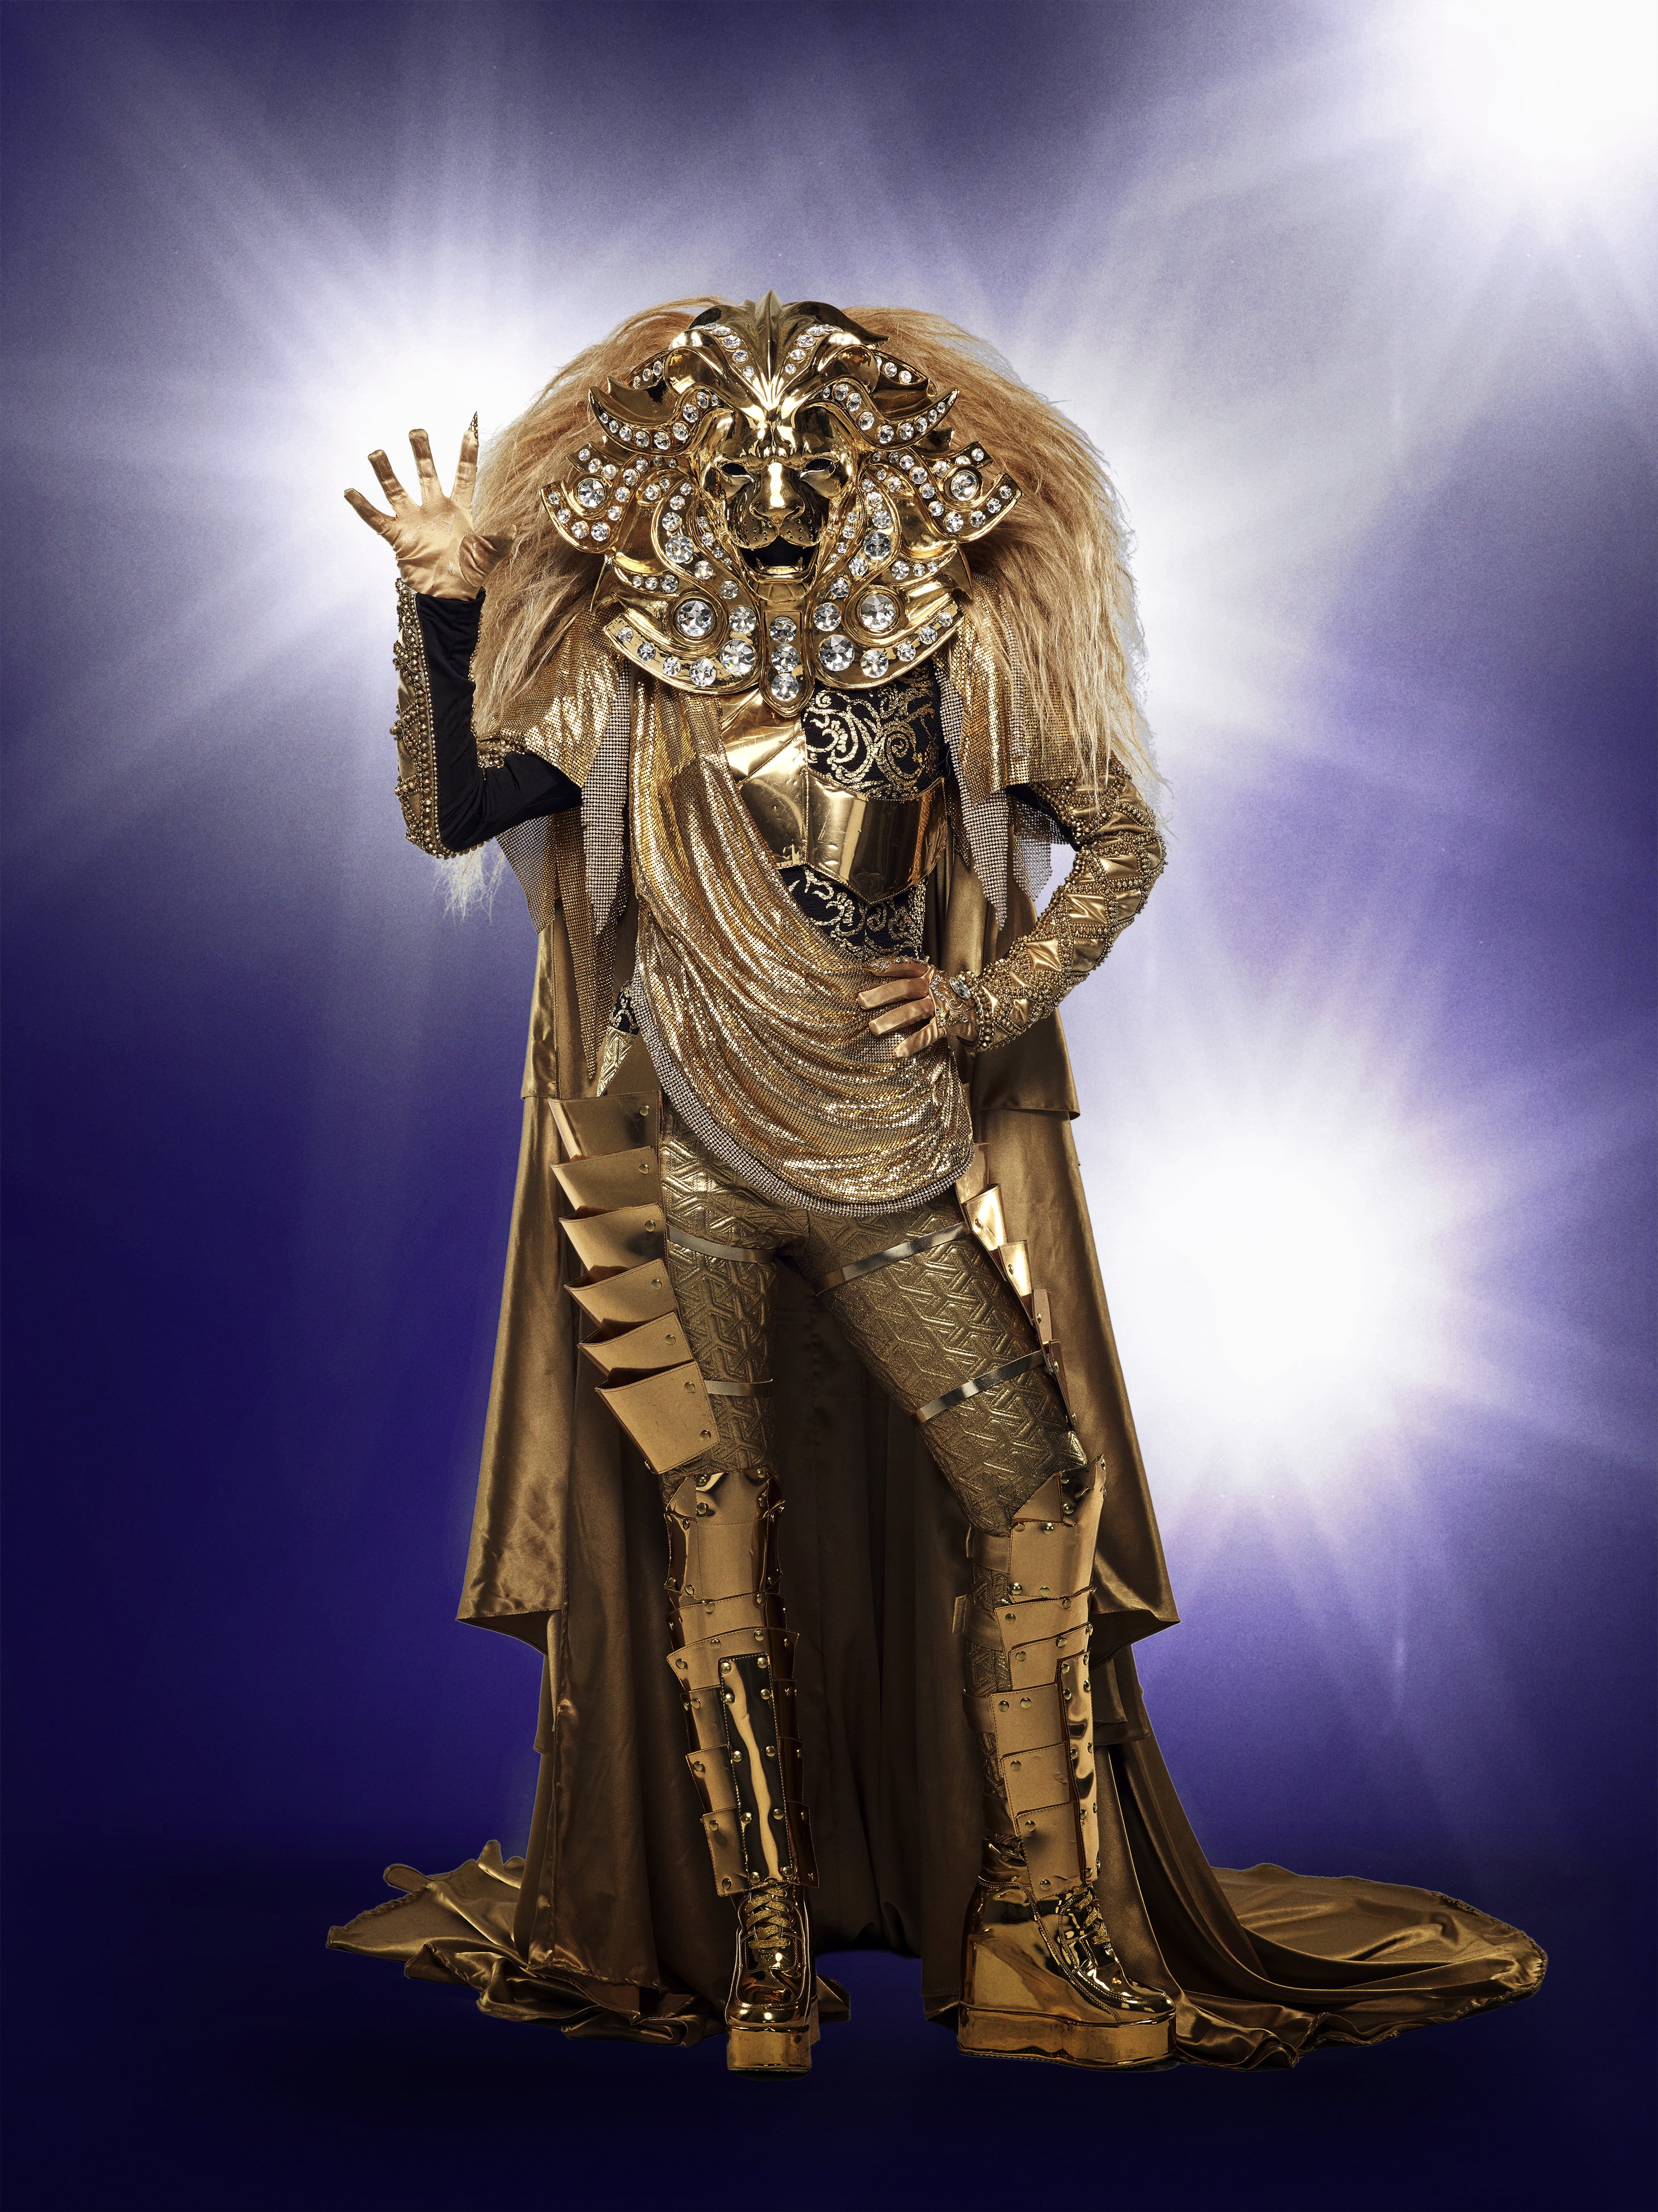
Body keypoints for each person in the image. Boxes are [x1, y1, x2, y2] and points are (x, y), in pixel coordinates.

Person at [329, 294, 1543, 2073]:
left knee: (1032, 1492)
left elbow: (1117, 834)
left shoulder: (943, 649)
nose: (771, 496)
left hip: (883, 1160)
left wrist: (984, 998)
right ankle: (761, 1960)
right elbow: (455, 812)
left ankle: (1037, 1928)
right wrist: (444, 600)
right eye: (735, 461)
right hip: (677, 1160)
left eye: (808, 461)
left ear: (872, 474)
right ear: (674, 478)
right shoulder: (627, 667)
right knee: (716, 1523)